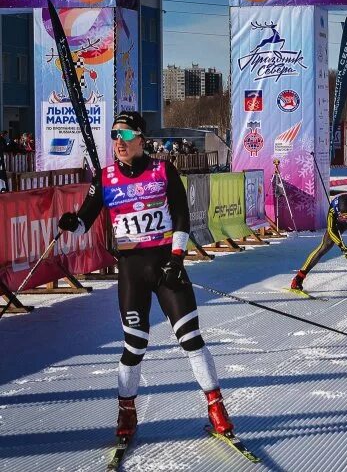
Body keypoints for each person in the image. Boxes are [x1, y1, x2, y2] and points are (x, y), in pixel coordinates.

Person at [57, 111, 235, 440]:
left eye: (125, 135)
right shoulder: (105, 177)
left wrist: (177, 257)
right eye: (114, 135)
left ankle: (216, 407)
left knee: (191, 340)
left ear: (141, 138)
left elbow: (182, 216)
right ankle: (127, 411)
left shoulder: (162, 170)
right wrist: (72, 224)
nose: (118, 142)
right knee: (134, 346)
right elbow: (85, 219)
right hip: (132, 269)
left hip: (167, 265)